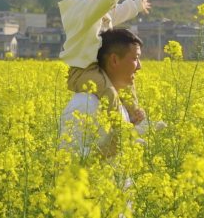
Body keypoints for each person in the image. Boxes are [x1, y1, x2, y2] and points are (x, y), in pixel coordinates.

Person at [58, 0, 150, 125]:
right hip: (83, 72)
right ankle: (121, 130)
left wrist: (137, 5)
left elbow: (118, 12)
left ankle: (136, 117)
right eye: (116, 0)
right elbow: (102, 4)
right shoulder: (82, 11)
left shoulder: (99, 12)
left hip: (100, 68)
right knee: (109, 92)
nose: (115, 6)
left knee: (127, 82)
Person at [60, 28, 154, 157]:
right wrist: (114, 145)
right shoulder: (84, 104)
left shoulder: (118, 104)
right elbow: (67, 159)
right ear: (114, 60)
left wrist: (131, 125)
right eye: (135, 58)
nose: (139, 66)